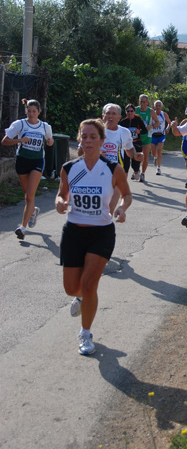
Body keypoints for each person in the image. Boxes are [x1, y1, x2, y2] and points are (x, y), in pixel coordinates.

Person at [56, 118, 132, 356]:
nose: (88, 141)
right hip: (74, 232)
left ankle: (86, 334)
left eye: (93, 137)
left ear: (101, 140)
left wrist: (121, 208)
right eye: (84, 136)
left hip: (101, 232)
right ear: (79, 139)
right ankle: (80, 297)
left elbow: (127, 195)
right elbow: (61, 194)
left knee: (90, 285)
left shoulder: (112, 169)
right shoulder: (69, 168)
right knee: (72, 288)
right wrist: (60, 202)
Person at [1, 98, 54, 240]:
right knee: (27, 196)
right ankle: (33, 210)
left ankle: (22, 228)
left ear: (39, 112)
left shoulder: (44, 126)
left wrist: (49, 142)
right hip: (22, 162)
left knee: (30, 195)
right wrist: (20, 140)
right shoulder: (20, 124)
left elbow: (50, 141)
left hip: (37, 161)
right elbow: (5, 141)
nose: (31, 114)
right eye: (29, 111)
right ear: (26, 111)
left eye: (34, 111)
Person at [79, 103, 143, 212]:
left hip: (116, 174)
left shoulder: (124, 132)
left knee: (109, 210)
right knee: (93, 210)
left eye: (114, 114)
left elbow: (129, 149)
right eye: (108, 113)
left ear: (119, 117)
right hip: (94, 173)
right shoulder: (92, 131)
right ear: (103, 116)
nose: (110, 116)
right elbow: (80, 152)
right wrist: (95, 153)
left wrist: (135, 156)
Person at [119, 104, 148, 181]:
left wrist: (139, 131)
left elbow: (145, 130)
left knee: (135, 163)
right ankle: (124, 181)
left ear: (134, 111)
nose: (130, 113)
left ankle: (136, 171)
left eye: (131, 111)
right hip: (126, 145)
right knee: (126, 163)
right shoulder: (123, 122)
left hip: (136, 143)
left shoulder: (138, 120)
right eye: (128, 111)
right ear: (125, 112)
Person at [135, 94, 159, 182]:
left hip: (147, 136)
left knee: (145, 156)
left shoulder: (151, 111)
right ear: (139, 101)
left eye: (144, 102)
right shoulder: (135, 109)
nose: (142, 103)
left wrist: (151, 126)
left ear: (147, 103)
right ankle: (136, 170)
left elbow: (157, 123)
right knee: (135, 155)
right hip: (136, 136)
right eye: (141, 101)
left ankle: (143, 174)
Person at [151, 100, 172, 175]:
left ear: (161, 107)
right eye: (156, 105)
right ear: (154, 106)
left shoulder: (164, 114)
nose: (158, 107)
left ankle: (158, 168)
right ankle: (155, 157)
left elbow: (169, 123)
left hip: (161, 135)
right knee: (153, 153)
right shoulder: (151, 114)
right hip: (153, 135)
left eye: (159, 105)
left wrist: (167, 129)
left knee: (159, 150)